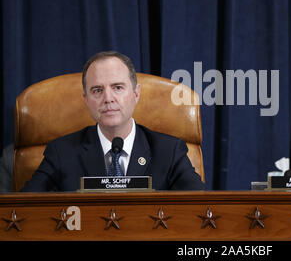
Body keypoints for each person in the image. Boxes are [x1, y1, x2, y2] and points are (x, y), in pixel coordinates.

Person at [22, 51, 205, 191]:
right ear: (86, 99)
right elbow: (23, 210)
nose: (108, 98)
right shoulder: (61, 152)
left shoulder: (169, 151)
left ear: (136, 94)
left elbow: (203, 209)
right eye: (97, 90)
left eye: (117, 87)